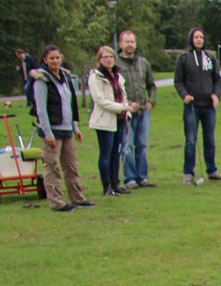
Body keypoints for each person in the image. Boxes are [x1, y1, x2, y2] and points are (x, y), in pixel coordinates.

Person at [31, 44, 94, 212]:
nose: (55, 61)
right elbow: (41, 109)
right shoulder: (41, 80)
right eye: (51, 58)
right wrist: (48, 133)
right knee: (52, 167)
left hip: (66, 129)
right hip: (52, 130)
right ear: (45, 59)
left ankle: (77, 198)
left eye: (57, 57)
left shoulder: (65, 77)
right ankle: (56, 202)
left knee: (71, 165)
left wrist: (75, 127)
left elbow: (71, 104)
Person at [174, 27, 221, 184]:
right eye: (196, 37)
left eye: (201, 37)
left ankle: (212, 170)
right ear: (191, 39)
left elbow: (217, 79)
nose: (199, 40)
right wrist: (184, 95)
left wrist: (216, 94)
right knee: (191, 140)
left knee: (209, 139)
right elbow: (178, 81)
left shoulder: (210, 58)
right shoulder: (183, 58)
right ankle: (188, 172)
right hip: (192, 106)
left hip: (208, 106)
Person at [89, 45, 138, 197]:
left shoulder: (118, 76)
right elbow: (101, 101)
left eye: (111, 57)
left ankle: (115, 183)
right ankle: (106, 186)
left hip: (120, 119)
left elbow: (123, 96)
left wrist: (126, 111)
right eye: (105, 57)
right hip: (105, 121)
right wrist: (124, 107)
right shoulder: (96, 77)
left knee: (116, 153)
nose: (109, 60)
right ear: (99, 59)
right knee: (106, 153)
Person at [116, 30, 158, 189]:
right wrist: (126, 105)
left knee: (142, 145)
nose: (130, 44)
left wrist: (151, 101)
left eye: (132, 41)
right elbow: (114, 90)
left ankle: (142, 177)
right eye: (127, 41)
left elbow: (152, 85)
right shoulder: (116, 64)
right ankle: (129, 178)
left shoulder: (143, 63)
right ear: (121, 44)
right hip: (126, 113)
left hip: (143, 112)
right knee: (126, 147)